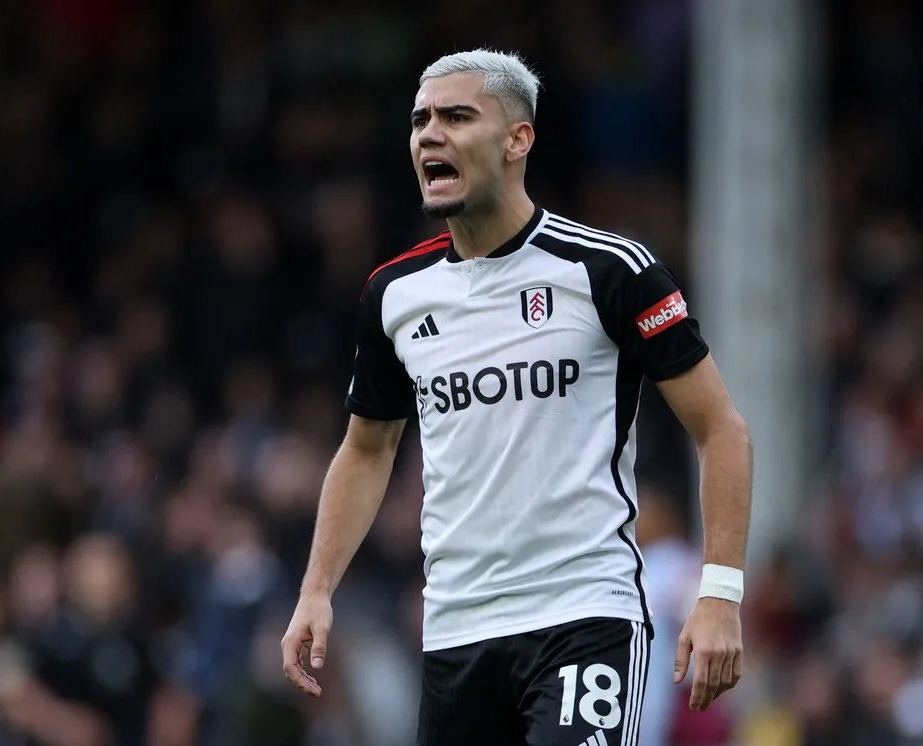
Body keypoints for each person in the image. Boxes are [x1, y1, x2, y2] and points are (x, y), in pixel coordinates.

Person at [281, 48, 753, 746]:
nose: (428, 135)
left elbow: (721, 430)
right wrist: (316, 588)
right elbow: (366, 449)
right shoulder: (395, 296)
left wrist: (719, 591)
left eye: (456, 116)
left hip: (584, 616)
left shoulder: (609, 270)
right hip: (456, 631)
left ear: (517, 140)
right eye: (419, 121)